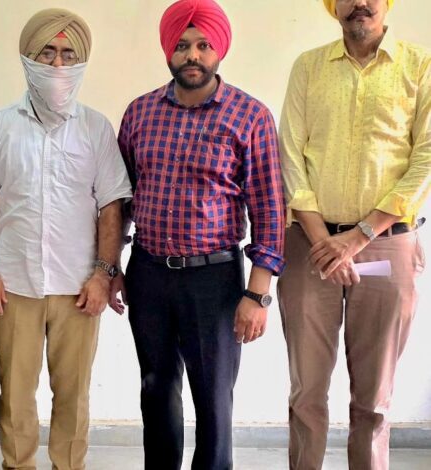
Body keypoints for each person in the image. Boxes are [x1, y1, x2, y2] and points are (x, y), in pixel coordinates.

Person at [0, 8, 132, 469]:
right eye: (47, 53)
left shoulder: (96, 128)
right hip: (13, 286)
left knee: (73, 395)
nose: (58, 65)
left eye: (68, 55)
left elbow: (111, 206)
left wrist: (103, 275)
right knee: (15, 396)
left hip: (80, 288)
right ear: (28, 59)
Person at [115, 0, 286, 468]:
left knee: (213, 398)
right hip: (148, 272)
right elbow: (121, 198)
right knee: (155, 388)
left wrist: (258, 294)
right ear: (168, 51)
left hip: (214, 280)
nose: (193, 55)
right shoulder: (140, 112)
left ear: (219, 50)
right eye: (183, 45)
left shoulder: (249, 116)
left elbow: (269, 208)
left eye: (204, 45)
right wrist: (111, 266)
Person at [277, 0, 431, 468]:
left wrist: (358, 237)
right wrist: (326, 241)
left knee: (374, 398)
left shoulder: (420, 67)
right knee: (306, 392)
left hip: (386, 245)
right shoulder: (309, 67)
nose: (358, 3)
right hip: (310, 246)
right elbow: (290, 156)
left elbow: (425, 160)